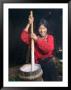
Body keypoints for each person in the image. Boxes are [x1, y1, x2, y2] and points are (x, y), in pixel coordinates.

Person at [20, 13, 58, 81]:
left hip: (49, 65)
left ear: (47, 28)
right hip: (38, 65)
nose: (42, 30)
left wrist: (37, 39)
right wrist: (29, 23)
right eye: (40, 28)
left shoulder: (50, 37)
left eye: (44, 28)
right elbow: (23, 37)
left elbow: (48, 48)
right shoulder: (34, 38)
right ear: (38, 29)